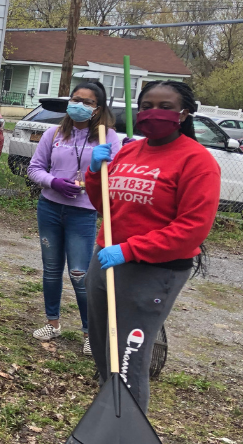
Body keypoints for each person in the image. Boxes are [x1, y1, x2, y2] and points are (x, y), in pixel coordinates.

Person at [84, 80, 220, 413]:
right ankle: (108, 418)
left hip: (154, 270)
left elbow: (191, 230)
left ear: (184, 113)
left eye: (165, 107)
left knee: (128, 361)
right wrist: (93, 171)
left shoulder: (198, 161)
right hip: (106, 261)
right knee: (104, 351)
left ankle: (126, 430)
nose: (153, 113)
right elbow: (106, 206)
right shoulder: (130, 150)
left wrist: (129, 250)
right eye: (146, 106)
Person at [27, 82, 120, 355]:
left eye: (87, 102)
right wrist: (54, 182)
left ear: (97, 109)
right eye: (75, 99)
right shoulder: (55, 133)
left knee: (80, 274)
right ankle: (52, 323)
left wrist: (97, 170)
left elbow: (114, 175)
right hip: (50, 208)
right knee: (51, 269)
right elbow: (34, 169)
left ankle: (90, 332)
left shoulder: (108, 137)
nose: (79, 105)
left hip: (83, 212)